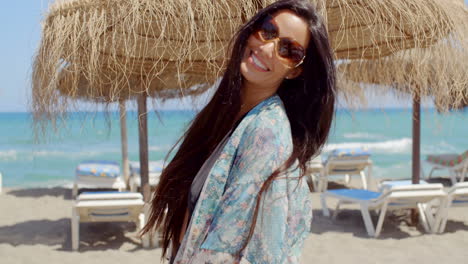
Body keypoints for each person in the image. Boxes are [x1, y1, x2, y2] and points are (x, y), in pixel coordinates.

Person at [141, 0, 336, 263]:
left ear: (295, 71)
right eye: (267, 30)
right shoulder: (227, 118)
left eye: (289, 50)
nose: (267, 48)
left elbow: (225, 247)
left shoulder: (266, 133)